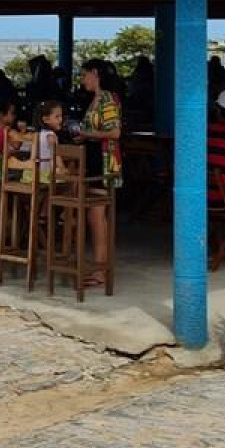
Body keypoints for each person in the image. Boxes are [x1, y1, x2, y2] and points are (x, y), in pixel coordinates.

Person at [77, 60, 122, 289]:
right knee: (94, 217)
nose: (82, 79)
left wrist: (86, 133)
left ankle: (100, 270)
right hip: (94, 159)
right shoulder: (96, 99)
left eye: (84, 75)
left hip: (104, 161)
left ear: (95, 74)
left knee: (97, 217)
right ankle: (98, 268)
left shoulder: (107, 99)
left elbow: (114, 131)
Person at [34, 99, 65, 183]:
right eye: (57, 117)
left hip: (37, 172)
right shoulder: (51, 136)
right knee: (73, 177)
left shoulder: (40, 134)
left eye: (61, 116)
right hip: (47, 174)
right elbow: (56, 155)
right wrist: (62, 169)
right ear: (46, 119)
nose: (61, 120)